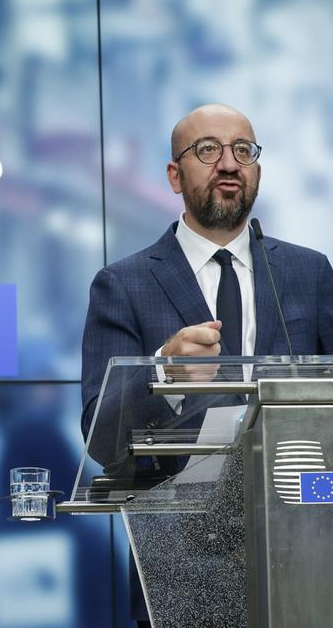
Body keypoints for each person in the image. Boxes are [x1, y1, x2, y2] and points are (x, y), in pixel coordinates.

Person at [80, 103, 333, 627]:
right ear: (175, 176)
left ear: (257, 170)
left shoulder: (310, 272)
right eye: (208, 150)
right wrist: (161, 374)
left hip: (304, 550)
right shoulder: (123, 285)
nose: (228, 163)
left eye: (243, 150)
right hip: (180, 564)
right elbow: (100, 440)